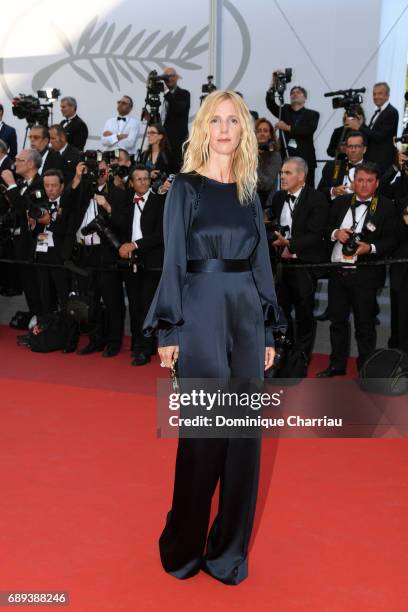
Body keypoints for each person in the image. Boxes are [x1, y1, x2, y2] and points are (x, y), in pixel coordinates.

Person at [143, 90, 280, 585]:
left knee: (244, 440)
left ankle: (227, 555)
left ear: (244, 130)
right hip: (199, 312)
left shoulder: (250, 191)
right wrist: (169, 325)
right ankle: (183, 546)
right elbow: (174, 260)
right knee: (203, 436)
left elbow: (262, 262)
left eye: (233, 121)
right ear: (204, 128)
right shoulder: (186, 187)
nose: (224, 129)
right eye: (215, 120)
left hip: (245, 314)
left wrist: (268, 325)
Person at [317, 162, 397, 377]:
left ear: (377, 183)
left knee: (365, 325)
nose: (363, 185)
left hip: (366, 274)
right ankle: (336, 365)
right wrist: (336, 233)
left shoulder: (387, 207)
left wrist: (369, 248)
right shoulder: (341, 202)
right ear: (354, 181)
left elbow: (393, 239)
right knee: (337, 322)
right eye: (360, 180)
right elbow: (323, 228)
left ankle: (365, 369)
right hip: (338, 272)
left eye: (369, 181)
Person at [270, 157, 328, 368]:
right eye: (282, 173)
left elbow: (316, 234)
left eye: (287, 173)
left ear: (301, 176)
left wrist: (290, 243)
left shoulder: (317, 199)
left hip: (305, 264)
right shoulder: (277, 198)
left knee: (304, 312)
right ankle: (285, 350)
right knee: (281, 311)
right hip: (282, 266)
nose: (282, 176)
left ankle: (302, 356)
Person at [119, 165, 165, 366]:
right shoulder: (125, 202)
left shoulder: (159, 202)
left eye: (146, 178)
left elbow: (160, 234)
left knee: (147, 306)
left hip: (151, 261)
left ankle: (145, 348)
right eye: (138, 179)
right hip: (130, 261)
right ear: (131, 182)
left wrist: (135, 245)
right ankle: (138, 343)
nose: (143, 182)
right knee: (135, 305)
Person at [266, 74, 319, 186]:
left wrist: (287, 127)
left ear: (305, 98)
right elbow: (270, 104)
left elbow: (308, 131)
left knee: (307, 189)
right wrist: (273, 85)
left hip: (305, 158)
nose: (294, 94)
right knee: (286, 187)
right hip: (286, 156)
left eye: (298, 92)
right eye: (292, 93)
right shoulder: (284, 110)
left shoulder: (313, 114)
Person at [345, 82, 399, 173]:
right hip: (372, 160)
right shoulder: (378, 112)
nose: (376, 96)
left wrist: (358, 127)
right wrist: (362, 124)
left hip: (382, 162)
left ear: (387, 95)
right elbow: (372, 133)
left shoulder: (391, 112)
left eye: (380, 93)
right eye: (374, 94)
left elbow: (379, 137)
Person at [318, 131, 367, 201]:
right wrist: (333, 191)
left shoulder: (372, 169)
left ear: (364, 149)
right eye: (350, 146)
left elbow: (379, 193)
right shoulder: (332, 166)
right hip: (336, 208)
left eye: (357, 146)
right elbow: (320, 191)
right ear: (346, 149)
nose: (353, 150)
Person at [161, 67, 190, 171]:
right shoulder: (160, 94)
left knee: (176, 171)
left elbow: (178, 109)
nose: (169, 79)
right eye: (166, 76)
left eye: (171, 76)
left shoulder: (184, 94)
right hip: (162, 142)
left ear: (177, 77)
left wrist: (166, 92)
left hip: (177, 143)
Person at [255, 117, 281, 211]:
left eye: (265, 131)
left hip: (264, 204)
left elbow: (266, 184)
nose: (262, 133)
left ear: (270, 135)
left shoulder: (275, 155)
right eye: (259, 131)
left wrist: (253, 160)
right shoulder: (247, 153)